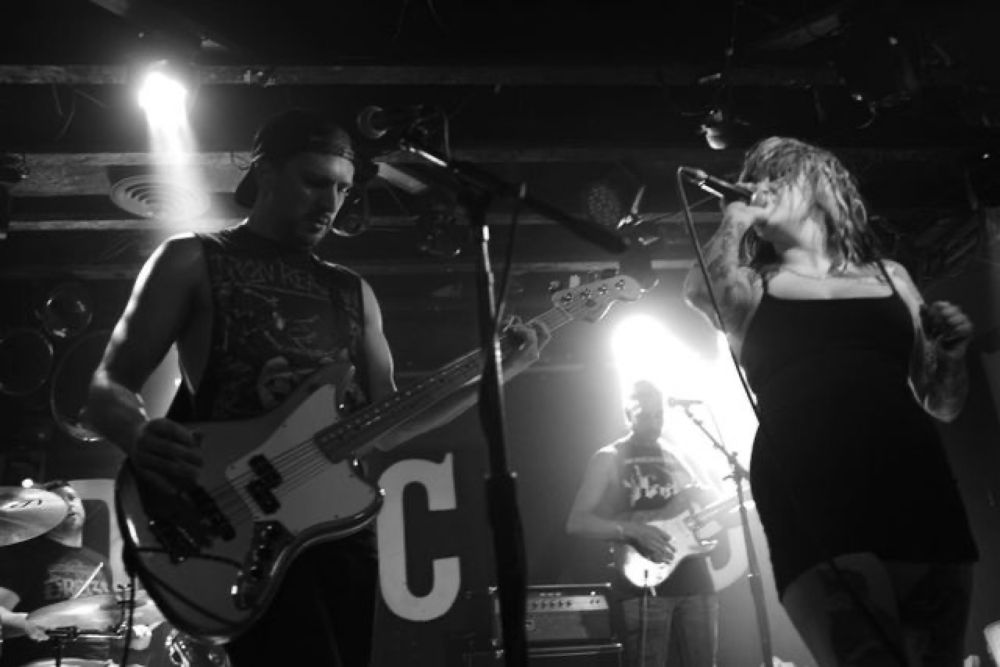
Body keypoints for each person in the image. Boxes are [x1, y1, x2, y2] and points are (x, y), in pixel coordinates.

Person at [83, 108, 547, 667]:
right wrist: (138, 433)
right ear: (267, 173)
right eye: (315, 182)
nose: (331, 203)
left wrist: (496, 373)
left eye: (343, 189)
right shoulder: (192, 258)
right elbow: (107, 385)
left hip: (335, 530)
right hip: (230, 518)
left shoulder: (352, 292)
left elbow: (389, 424)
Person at [683, 136, 979, 666]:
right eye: (756, 178)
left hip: (911, 473)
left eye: (776, 176)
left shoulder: (892, 276)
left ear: (820, 185)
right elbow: (704, 292)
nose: (760, 187)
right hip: (808, 479)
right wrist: (735, 217)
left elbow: (941, 402)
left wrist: (950, 353)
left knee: (939, 656)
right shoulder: (753, 286)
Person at [566, 380, 721, 667]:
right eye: (644, 416)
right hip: (642, 583)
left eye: (658, 416)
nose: (653, 424)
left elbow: (710, 505)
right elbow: (577, 522)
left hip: (694, 577)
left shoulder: (678, 454)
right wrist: (632, 530)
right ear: (628, 415)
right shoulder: (609, 457)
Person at [0, 480, 154, 667]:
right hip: (48, 661)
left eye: (72, 498)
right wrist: (27, 623)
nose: (69, 504)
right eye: (58, 501)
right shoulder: (27, 558)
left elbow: (102, 626)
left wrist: (130, 636)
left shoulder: (100, 563)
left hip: (99, 663)